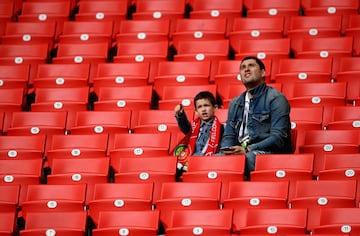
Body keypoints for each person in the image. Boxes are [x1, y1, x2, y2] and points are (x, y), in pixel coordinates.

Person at [220, 56, 292, 180]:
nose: (246, 69)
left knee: (247, 159)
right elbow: (229, 136)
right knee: (211, 161)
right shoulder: (235, 103)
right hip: (241, 151)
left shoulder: (276, 98)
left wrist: (248, 149)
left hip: (267, 153)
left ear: (263, 72)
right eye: (243, 67)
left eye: (251, 66)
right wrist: (227, 151)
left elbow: (278, 137)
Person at [174, 91, 224, 172]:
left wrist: (211, 159)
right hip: (189, 163)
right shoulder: (193, 127)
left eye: (206, 105)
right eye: (200, 107)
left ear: (215, 107)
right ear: (196, 111)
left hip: (208, 164)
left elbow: (223, 151)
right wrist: (180, 115)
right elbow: (185, 126)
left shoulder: (222, 129)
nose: (203, 109)